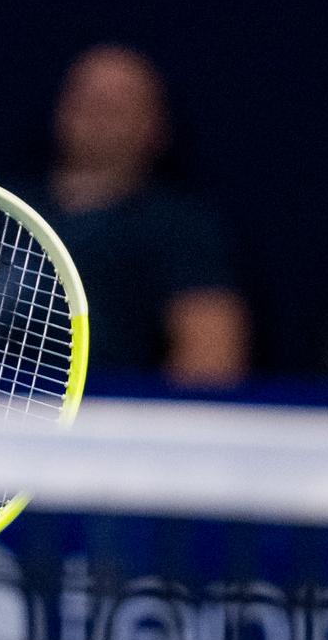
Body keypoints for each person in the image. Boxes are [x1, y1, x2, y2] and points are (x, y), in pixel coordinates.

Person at [32, 44, 248, 385]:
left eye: (119, 102)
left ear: (156, 126)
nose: (98, 111)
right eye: (86, 96)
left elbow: (212, 363)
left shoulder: (181, 227)